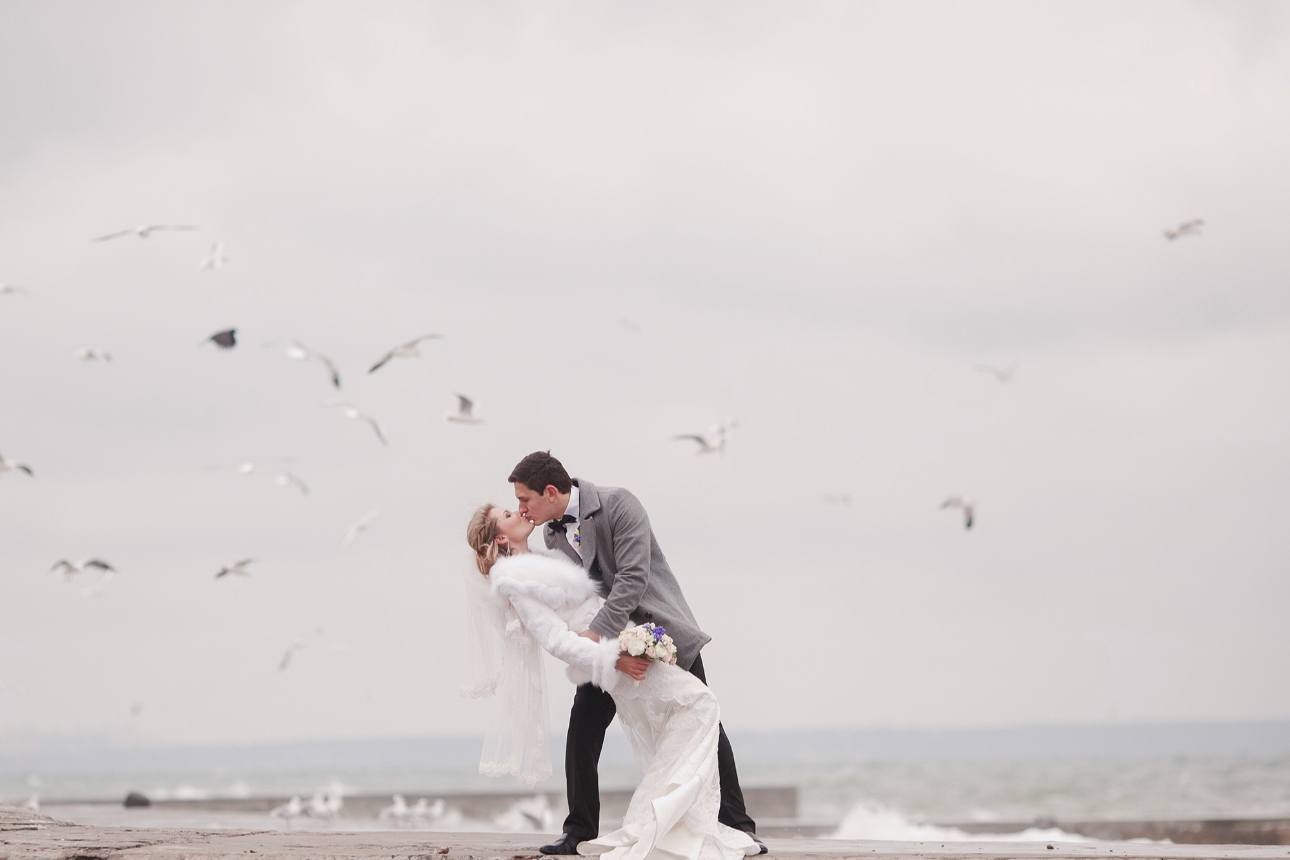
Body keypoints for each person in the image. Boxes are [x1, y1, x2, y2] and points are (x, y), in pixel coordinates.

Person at [466, 501, 761, 860]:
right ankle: (627, 821)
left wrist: (635, 640)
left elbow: (612, 584)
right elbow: (556, 639)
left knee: (689, 712)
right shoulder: (515, 580)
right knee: (690, 707)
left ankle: (700, 817)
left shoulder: (551, 551)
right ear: (500, 535)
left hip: (627, 641)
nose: (520, 511)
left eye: (521, 503)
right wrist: (614, 658)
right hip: (606, 659)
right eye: (510, 513)